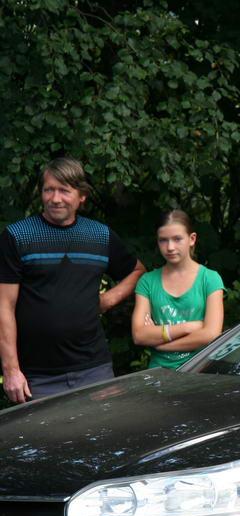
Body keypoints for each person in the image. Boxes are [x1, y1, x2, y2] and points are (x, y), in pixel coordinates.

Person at [0, 157, 145, 402]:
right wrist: (11, 370)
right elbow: (4, 306)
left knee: (103, 428)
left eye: (64, 191)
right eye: (49, 190)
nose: (55, 198)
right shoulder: (18, 236)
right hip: (37, 376)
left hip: (95, 370)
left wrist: (107, 300)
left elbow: (137, 271)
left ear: (82, 196)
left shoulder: (99, 236)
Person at [131, 210, 225, 369]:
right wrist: (189, 327)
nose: (170, 247)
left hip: (200, 371)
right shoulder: (147, 281)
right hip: (159, 374)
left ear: (192, 239)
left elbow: (210, 335)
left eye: (177, 239)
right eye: (163, 240)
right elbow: (139, 335)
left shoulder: (210, 279)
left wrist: (162, 344)